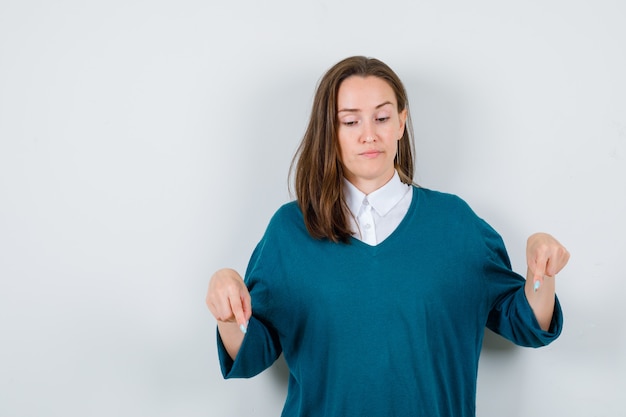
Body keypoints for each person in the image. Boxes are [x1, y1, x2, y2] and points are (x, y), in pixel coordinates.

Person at [206, 56, 570, 416]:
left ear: (401, 122)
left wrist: (543, 271)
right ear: (329, 131)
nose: (369, 134)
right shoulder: (290, 230)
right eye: (350, 121)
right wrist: (226, 313)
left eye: (382, 117)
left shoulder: (455, 224)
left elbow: (529, 324)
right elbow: (251, 353)